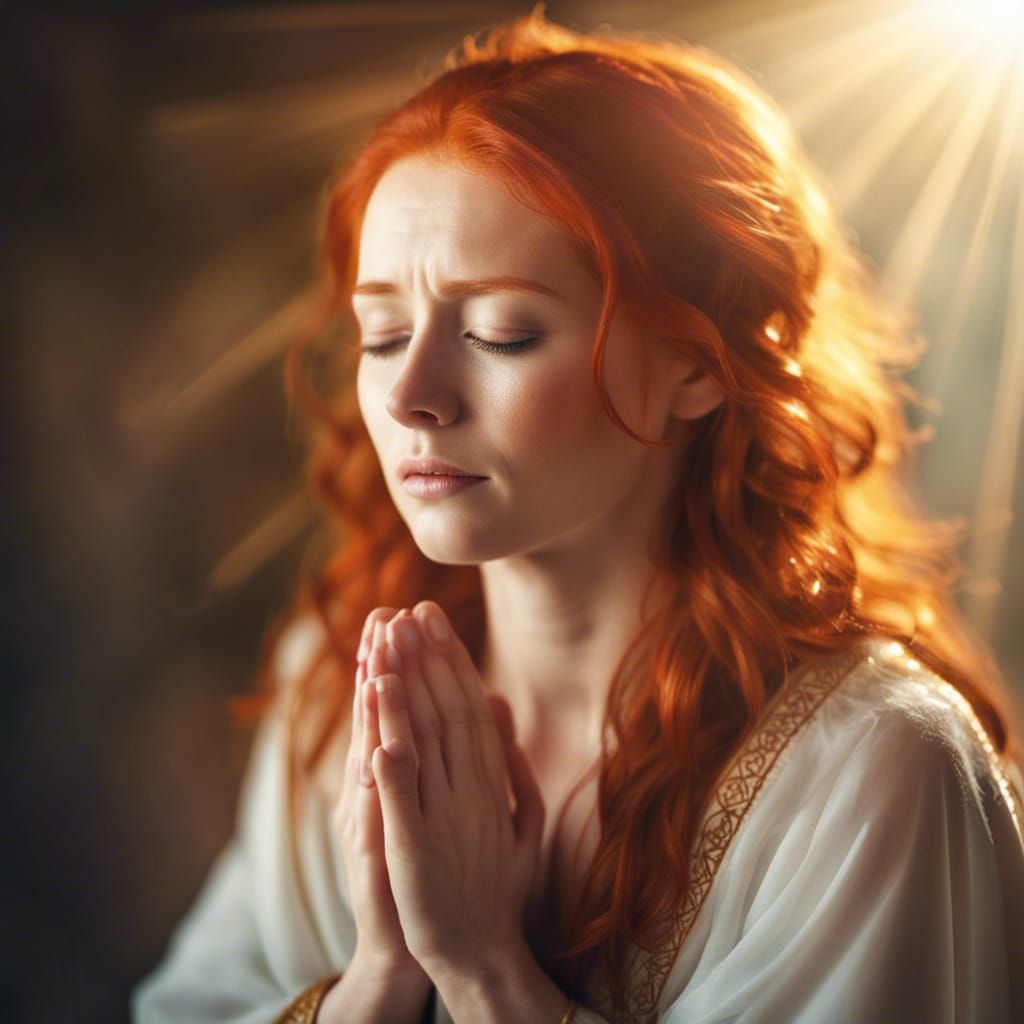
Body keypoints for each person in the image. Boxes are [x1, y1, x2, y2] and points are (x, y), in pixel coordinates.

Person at [132, 6, 1024, 1022]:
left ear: (697, 362)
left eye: (501, 332)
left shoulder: (873, 776)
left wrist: (483, 970)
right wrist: (380, 977)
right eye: (382, 332)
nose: (412, 393)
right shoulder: (333, 690)